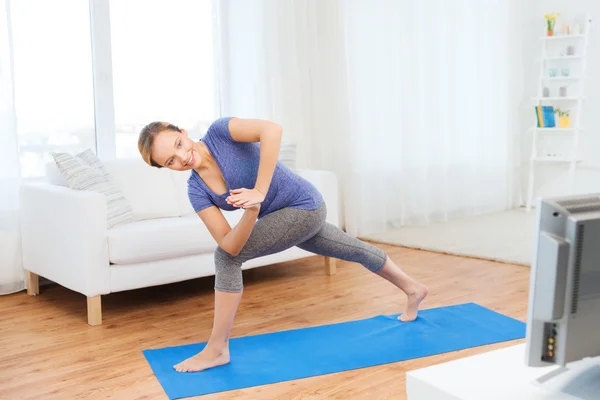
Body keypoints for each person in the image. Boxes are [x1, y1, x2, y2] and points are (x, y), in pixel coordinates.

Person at [138, 117, 428, 373]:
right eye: (170, 161)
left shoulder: (220, 132)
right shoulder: (197, 190)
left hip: (303, 205)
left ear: (184, 131)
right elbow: (230, 243)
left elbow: (271, 129)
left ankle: (216, 349)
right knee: (351, 249)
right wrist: (252, 210)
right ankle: (414, 288)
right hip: (282, 217)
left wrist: (259, 191)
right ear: (166, 168)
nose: (181, 157)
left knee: (224, 260)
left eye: (178, 144)